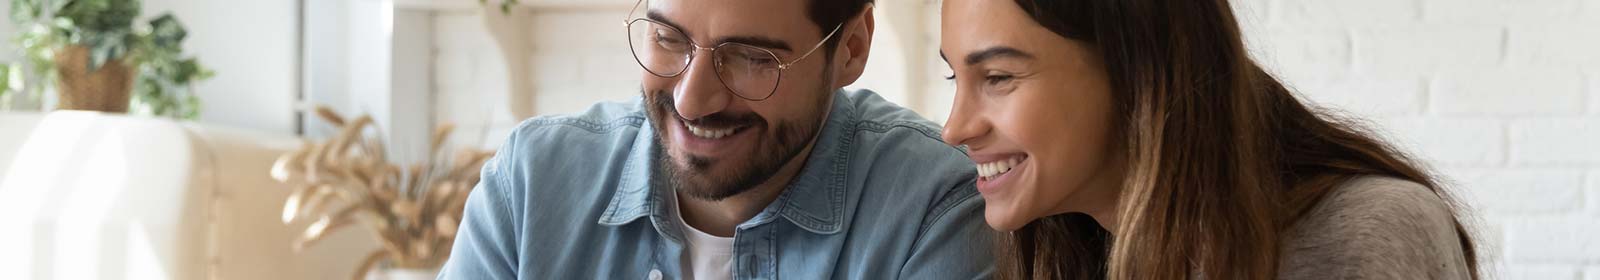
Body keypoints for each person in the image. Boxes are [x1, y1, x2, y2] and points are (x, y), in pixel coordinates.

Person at [436, 0, 993, 278]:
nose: (690, 100)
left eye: (752, 57)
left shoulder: (936, 209)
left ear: (850, 48)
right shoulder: (531, 184)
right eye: (666, 38)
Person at [937, 0, 1479, 279]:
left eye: (999, 77)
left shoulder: (1363, 233)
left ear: (1138, 71)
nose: (955, 128)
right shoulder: (1057, 249)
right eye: (954, 79)